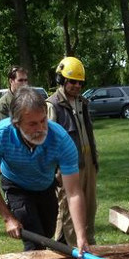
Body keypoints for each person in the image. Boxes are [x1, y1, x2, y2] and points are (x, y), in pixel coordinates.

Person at [0, 86, 89, 253]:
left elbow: (73, 192)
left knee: (47, 233)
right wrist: (8, 218)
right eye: (32, 124)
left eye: (43, 120)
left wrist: (81, 237)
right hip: (16, 186)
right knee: (34, 242)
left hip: (45, 185)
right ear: (16, 123)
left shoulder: (60, 139)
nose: (40, 128)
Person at [47, 56, 98, 245]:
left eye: (80, 82)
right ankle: (69, 246)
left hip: (88, 163)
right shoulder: (52, 105)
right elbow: (49, 142)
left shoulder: (83, 103)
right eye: (72, 81)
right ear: (61, 80)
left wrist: (95, 160)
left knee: (89, 206)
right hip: (67, 167)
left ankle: (88, 243)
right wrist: (56, 170)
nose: (77, 86)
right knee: (68, 208)